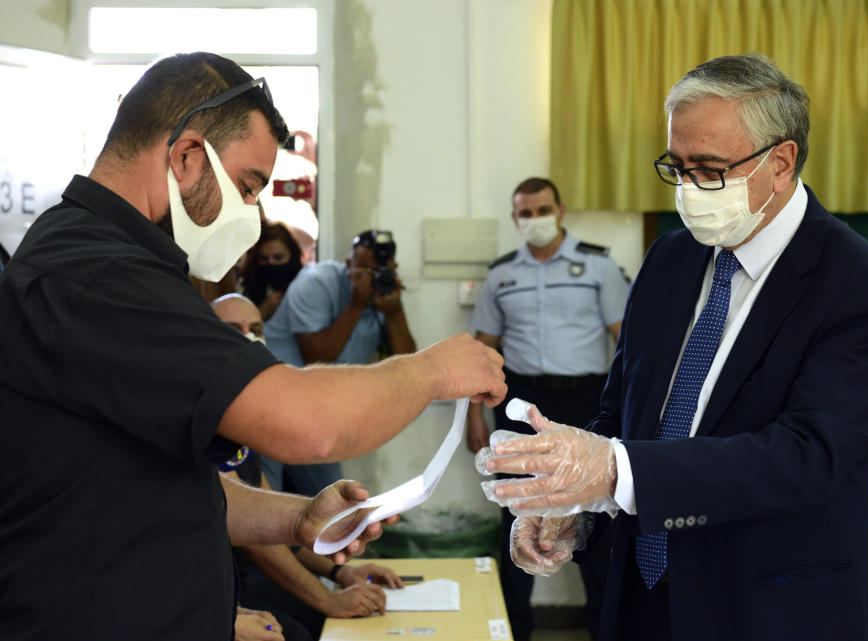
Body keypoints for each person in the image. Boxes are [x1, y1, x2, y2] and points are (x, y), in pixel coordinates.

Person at [0, 52, 505, 641]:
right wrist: (432, 371)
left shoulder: (128, 266)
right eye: (247, 187)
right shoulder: (96, 274)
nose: (253, 214)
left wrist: (300, 517)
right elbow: (308, 422)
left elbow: (167, 481)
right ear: (188, 155)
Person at [483, 53, 868, 641]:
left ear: (781, 161)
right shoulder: (670, 258)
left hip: (770, 609)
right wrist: (575, 508)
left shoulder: (861, 284)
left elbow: (807, 455)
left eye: (709, 168)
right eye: (676, 166)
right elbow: (623, 411)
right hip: (643, 601)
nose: (688, 188)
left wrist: (612, 471)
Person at [466, 176, 629, 641]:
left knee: (594, 514)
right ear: (515, 217)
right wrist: (474, 416)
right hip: (519, 404)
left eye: (542, 210)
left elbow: (626, 345)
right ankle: (513, 630)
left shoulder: (597, 266)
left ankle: (604, 628)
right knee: (517, 513)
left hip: (586, 400)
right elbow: (483, 352)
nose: (534, 219)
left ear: (560, 211)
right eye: (524, 212)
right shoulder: (501, 274)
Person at [213, 293, 402, 639]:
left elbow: (279, 529)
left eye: (255, 328)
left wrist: (341, 573)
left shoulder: (241, 420)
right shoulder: (207, 421)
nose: (248, 337)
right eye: (233, 329)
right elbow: (258, 541)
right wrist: (329, 599)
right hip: (218, 596)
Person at [263, 229, 417, 494]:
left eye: (380, 271)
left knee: (328, 499)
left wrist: (394, 312)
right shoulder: (316, 283)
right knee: (266, 493)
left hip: (318, 411)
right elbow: (316, 357)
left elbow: (407, 364)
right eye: (364, 269)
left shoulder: (386, 293)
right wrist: (356, 306)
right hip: (272, 402)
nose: (373, 278)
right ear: (348, 264)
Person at [240, 221, 303, 321]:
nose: (271, 263)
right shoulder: (245, 287)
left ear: (292, 255)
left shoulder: (304, 285)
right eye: (264, 259)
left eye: (278, 257)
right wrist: (263, 311)